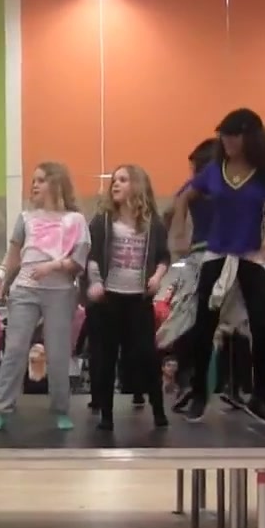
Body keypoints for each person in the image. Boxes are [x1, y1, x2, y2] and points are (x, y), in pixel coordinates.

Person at [169, 108, 265, 425]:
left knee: (262, 327)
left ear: (250, 138)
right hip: (216, 254)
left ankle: (260, 397)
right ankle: (199, 394)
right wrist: (179, 230)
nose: (227, 141)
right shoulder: (214, 171)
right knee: (204, 325)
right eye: (224, 136)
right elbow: (182, 197)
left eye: (233, 135)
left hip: (251, 256)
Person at [0, 162, 90, 431]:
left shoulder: (76, 220)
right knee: (15, 349)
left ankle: (60, 409)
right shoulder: (25, 218)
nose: (34, 185)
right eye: (33, 180)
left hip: (60, 292)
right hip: (25, 289)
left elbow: (78, 261)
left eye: (41, 180)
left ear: (56, 183)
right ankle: (3, 409)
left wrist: (52, 266)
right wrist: (0, 275)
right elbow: (13, 256)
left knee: (58, 353)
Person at [86, 163, 171, 430]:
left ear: (136, 185)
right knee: (106, 358)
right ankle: (106, 416)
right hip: (110, 298)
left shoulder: (152, 223)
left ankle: (158, 409)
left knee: (147, 355)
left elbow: (163, 257)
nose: (116, 184)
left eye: (123, 179)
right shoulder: (102, 221)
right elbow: (92, 255)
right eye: (114, 180)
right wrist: (95, 283)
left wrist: (157, 277)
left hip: (139, 299)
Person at [158, 139, 217, 410]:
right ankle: (200, 382)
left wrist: (176, 232)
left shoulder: (193, 187)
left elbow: (172, 209)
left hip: (201, 254)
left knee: (191, 320)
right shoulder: (212, 185)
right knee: (223, 322)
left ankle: (188, 380)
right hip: (215, 254)